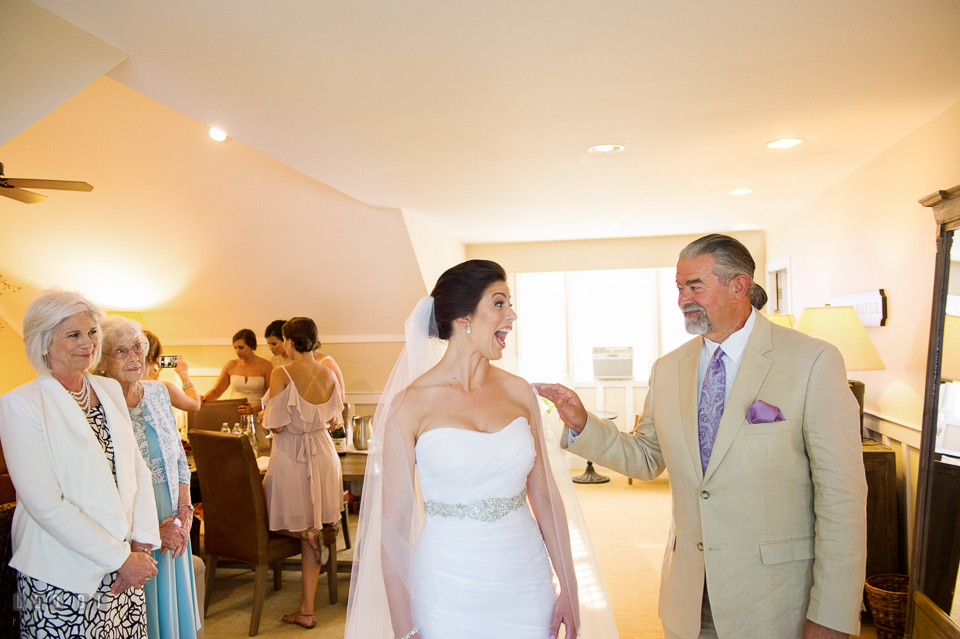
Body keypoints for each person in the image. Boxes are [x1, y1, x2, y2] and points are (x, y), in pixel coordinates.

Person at [537, 234, 868, 639]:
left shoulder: (812, 361)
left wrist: (833, 613)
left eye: (694, 286)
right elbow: (646, 457)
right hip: (689, 597)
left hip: (777, 602)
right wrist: (582, 422)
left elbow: (843, 499)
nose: (682, 299)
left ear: (738, 286)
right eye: (679, 287)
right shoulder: (669, 368)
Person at [344, 260, 580, 639]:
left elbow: (546, 497)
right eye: (499, 303)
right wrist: (405, 629)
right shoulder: (410, 406)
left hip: (526, 579)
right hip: (446, 587)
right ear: (462, 317)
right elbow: (393, 528)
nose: (512, 315)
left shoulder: (520, 392)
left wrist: (569, 587)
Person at [0, 288, 160, 637]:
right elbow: (45, 504)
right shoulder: (20, 405)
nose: (88, 343)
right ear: (43, 343)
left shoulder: (109, 389)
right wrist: (121, 559)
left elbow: (137, 470)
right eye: (73, 335)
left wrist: (140, 545)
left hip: (124, 570)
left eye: (91, 332)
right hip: (64, 571)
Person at [95, 316, 202, 639]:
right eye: (121, 351)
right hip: (130, 525)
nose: (134, 358)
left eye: (138, 348)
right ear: (101, 360)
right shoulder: (96, 401)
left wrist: (184, 512)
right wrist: (151, 533)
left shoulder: (157, 392)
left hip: (172, 515)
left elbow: (177, 456)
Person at [262, 317, 344, 629]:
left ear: (290, 341)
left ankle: (305, 535)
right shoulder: (328, 372)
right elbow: (334, 420)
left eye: (282, 340)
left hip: (292, 454)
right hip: (323, 453)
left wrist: (264, 413)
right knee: (314, 526)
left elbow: (278, 424)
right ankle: (306, 611)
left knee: (271, 517)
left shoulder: (281, 372)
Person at [266, 319, 346, 401]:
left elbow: (275, 411)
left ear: (290, 342)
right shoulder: (330, 373)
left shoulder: (326, 364)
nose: (271, 347)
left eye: (284, 340)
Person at [201, 328, 273, 415]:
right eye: (235, 347)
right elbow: (216, 391)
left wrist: (254, 409)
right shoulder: (230, 365)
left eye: (241, 347)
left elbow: (271, 395)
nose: (237, 351)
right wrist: (203, 399)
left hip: (258, 413)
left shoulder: (266, 366)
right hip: (234, 412)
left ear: (251, 346)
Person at [140, 329, 201, 412]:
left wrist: (152, 380)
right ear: (151, 358)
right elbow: (195, 405)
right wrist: (184, 374)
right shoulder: (164, 388)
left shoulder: (121, 386)